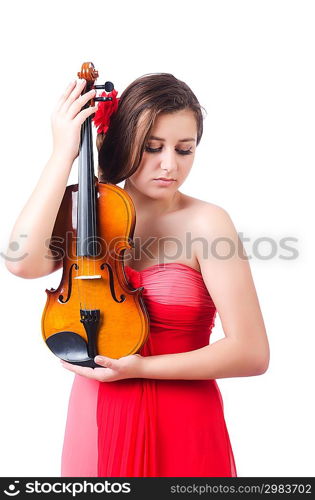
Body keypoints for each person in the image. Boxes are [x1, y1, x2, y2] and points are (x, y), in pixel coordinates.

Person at [5, 73, 270, 477]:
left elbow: (251, 353)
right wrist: (63, 154)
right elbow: (22, 262)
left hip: (184, 416)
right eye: (152, 148)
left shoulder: (208, 222)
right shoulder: (90, 211)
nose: (170, 165)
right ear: (124, 141)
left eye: (185, 150)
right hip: (95, 412)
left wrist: (141, 369)